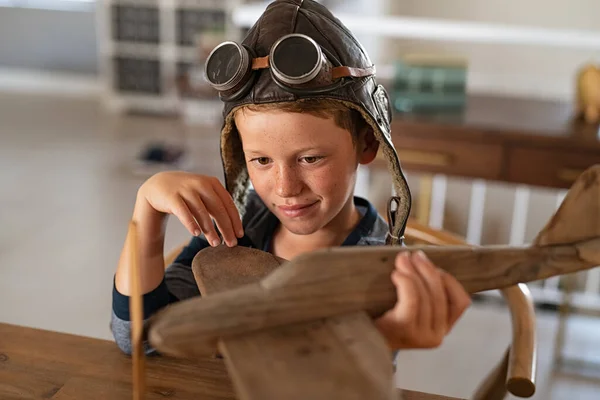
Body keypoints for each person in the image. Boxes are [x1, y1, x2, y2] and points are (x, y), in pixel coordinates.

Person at [111, 0, 471, 356]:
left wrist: (387, 339)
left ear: (367, 143)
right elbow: (141, 339)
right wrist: (147, 212)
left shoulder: (381, 269)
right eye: (262, 160)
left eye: (311, 158)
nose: (285, 188)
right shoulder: (240, 227)